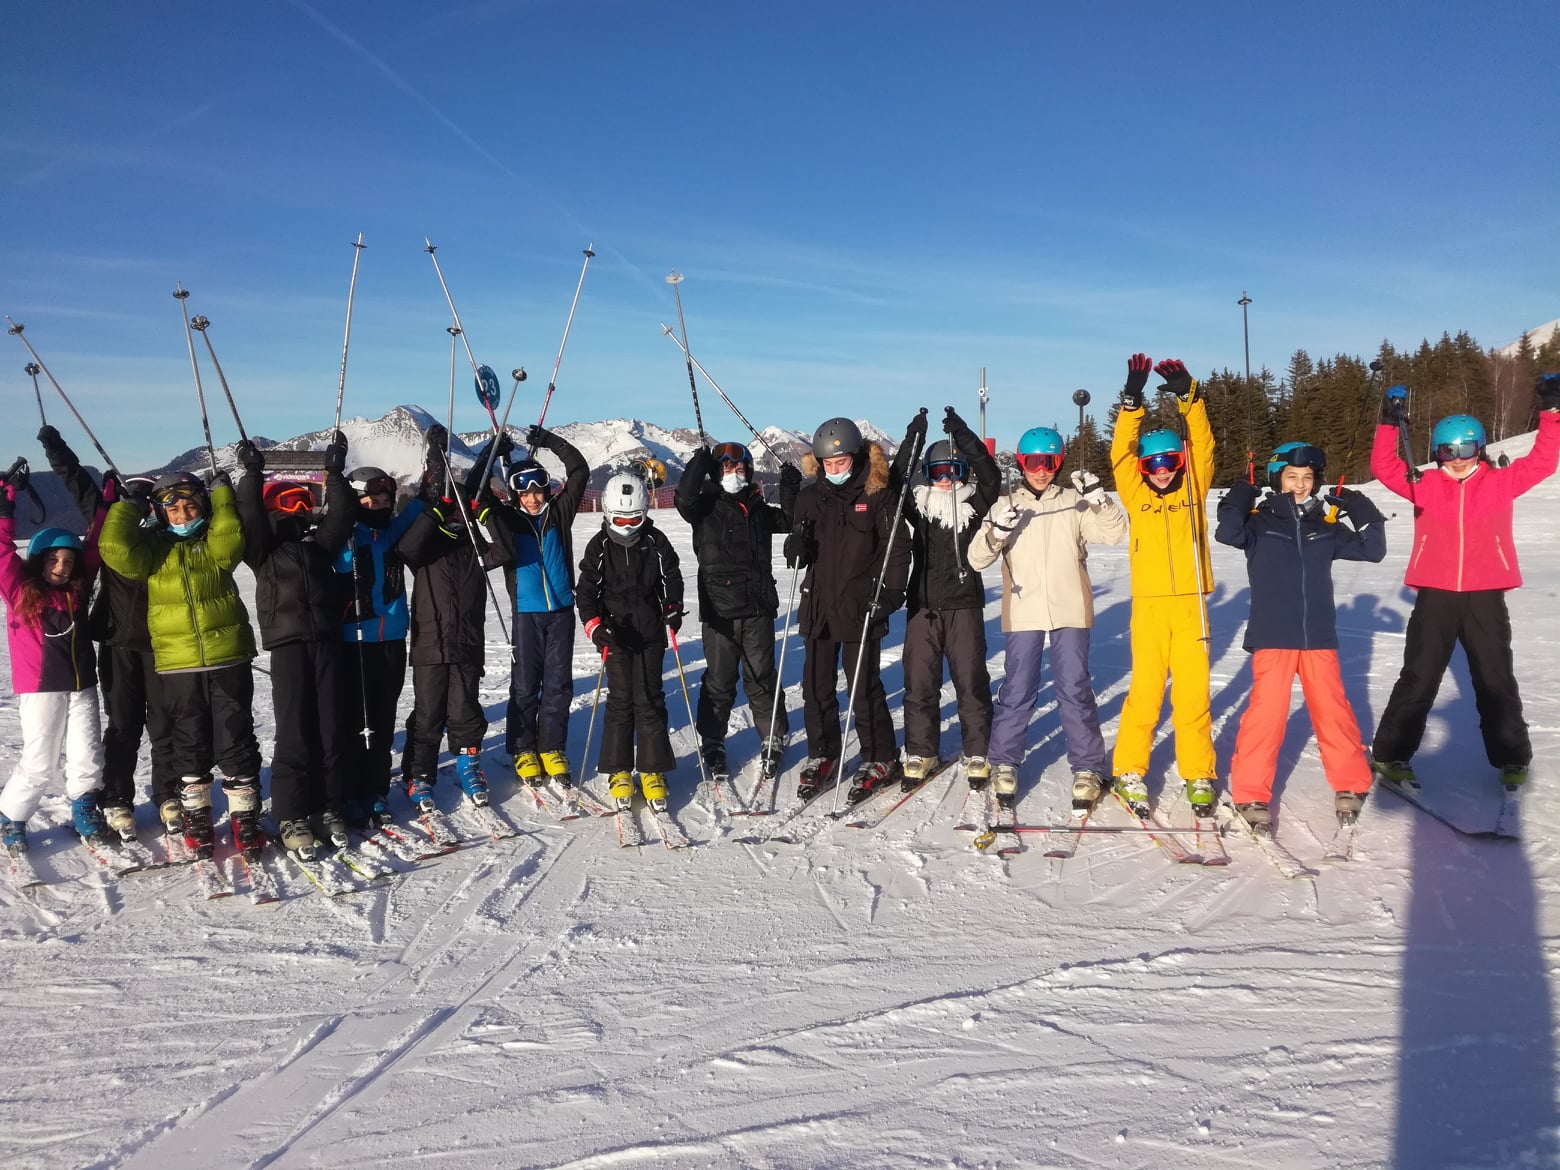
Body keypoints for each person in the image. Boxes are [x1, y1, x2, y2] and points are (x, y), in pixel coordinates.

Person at [1369, 374, 1560, 790]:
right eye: (1447, 450)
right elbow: (1384, 467)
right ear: (1437, 452)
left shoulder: (1500, 482)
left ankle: (1511, 759)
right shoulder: (1424, 485)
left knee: (1495, 677)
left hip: (1484, 594)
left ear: (1481, 449)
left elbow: (1544, 460)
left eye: (1466, 449)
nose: (1457, 458)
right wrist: (1388, 421)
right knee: (1419, 676)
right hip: (1436, 594)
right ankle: (1390, 754)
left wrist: (1551, 412)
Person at [1215, 442, 1387, 829]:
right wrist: (1244, 490)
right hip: (1274, 635)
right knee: (1267, 715)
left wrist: (1359, 508)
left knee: (1333, 711)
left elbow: (1372, 550)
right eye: (1292, 477)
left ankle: (1350, 783)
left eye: (1308, 478)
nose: (1300, 484)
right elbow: (1227, 531)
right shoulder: (1259, 523)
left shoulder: (1324, 527)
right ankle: (1251, 793)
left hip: (1318, 638)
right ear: (1278, 479)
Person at [98, 470, 263, 859]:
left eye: (190, 506)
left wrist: (223, 495)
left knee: (234, 733)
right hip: (178, 662)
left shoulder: (213, 542)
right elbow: (114, 548)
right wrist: (130, 505)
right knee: (188, 739)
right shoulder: (151, 549)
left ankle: (245, 816)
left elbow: (230, 544)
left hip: (227, 655)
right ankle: (197, 816)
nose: (183, 514)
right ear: (160, 512)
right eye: (173, 509)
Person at [969, 425, 1127, 810]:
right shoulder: (1006, 505)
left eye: (1050, 462)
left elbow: (1115, 533)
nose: (1042, 470)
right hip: (1024, 609)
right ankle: (1005, 760)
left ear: (1059, 463)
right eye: (1034, 462)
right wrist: (997, 533)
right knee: (1018, 688)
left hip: (1070, 606)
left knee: (1074, 687)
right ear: (1022, 463)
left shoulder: (1075, 502)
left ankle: (1088, 765)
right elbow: (976, 558)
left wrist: (1100, 501)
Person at [36, 425, 174, 840]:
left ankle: (168, 796)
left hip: (165, 645)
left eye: (149, 498)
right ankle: (117, 799)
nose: (143, 504)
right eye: (137, 496)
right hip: (118, 643)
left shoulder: (168, 531)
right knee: (123, 726)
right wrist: (55, 448)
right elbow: (78, 483)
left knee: (166, 725)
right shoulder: (113, 524)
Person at [236, 433, 357, 856]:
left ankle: (327, 806)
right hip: (287, 645)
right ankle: (291, 813)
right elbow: (247, 512)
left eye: (304, 503)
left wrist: (334, 473)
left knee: (330, 727)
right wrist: (251, 475)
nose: (299, 511)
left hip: (326, 640)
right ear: (272, 510)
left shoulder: (319, 547)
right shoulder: (263, 551)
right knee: (294, 731)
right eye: (288, 503)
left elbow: (343, 514)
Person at [1109, 354, 1218, 816]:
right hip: (1150, 606)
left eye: (1169, 460)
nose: (1160, 469)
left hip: (1191, 605)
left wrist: (1189, 396)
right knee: (1147, 690)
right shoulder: (1135, 495)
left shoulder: (1193, 486)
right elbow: (1120, 452)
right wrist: (1132, 401)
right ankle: (1129, 770)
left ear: (1181, 460)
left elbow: (1205, 444)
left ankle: (1198, 771)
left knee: (1193, 693)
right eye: (1152, 463)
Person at [784, 417, 911, 800]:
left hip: (862, 605)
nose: (835, 470)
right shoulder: (810, 496)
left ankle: (880, 756)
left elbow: (897, 549)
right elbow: (802, 535)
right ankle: (822, 752)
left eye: (842, 462)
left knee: (863, 687)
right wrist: (797, 545)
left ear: (856, 457)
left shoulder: (878, 494)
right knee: (816, 687)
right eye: (828, 464)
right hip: (819, 604)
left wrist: (892, 593)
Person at [397, 425, 515, 813]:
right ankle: (420, 774)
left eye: (459, 512)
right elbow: (407, 546)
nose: (455, 518)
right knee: (429, 713)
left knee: (465, 711)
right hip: (430, 646)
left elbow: (507, 550)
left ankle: (468, 763)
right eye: (452, 512)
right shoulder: (426, 549)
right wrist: (433, 510)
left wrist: (484, 513)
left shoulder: (475, 549)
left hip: (466, 643)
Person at [675, 439, 799, 785]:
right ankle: (713, 741)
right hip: (719, 612)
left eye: (741, 467)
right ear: (716, 472)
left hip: (758, 607)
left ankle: (772, 734)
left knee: (761, 676)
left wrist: (790, 487)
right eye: (727, 468)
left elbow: (790, 519)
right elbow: (683, 497)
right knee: (720, 681)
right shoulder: (704, 507)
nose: (735, 472)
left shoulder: (758, 508)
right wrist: (699, 461)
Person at [889, 406, 1000, 791]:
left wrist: (966, 437)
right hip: (922, 606)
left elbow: (991, 475)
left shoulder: (974, 506)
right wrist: (912, 440)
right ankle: (922, 750)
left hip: (964, 604)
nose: (945, 480)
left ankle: (978, 750)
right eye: (938, 472)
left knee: (970, 680)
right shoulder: (918, 507)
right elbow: (892, 483)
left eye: (953, 471)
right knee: (919, 682)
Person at [0, 473, 111, 854]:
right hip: (40, 685)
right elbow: (0, 551)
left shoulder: (77, 592)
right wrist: (5, 507)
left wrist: (107, 505)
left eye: (68, 560)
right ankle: (11, 816)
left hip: (82, 682)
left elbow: (95, 548)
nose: (62, 567)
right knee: (40, 758)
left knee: (87, 751)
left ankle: (84, 806)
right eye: (53, 559)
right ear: (38, 561)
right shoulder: (19, 591)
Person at [487, 423, 590, 787]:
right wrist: (493, 453)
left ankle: (551, 747)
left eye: (538, 488)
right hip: (526, 614)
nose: (532, 496)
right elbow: (478, 492)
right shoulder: (507, 520)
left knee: (559, 684)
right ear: (513, 495)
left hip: (561, 611)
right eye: (523, 490)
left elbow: (580, 472)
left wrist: (550, 442)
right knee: (526, 684)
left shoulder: (558, 514)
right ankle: (523, 748)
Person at [576, 471, 684, 811]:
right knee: (621, 699)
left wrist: (673, 607)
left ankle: (652, 770)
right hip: (615, 635)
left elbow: (672, 578)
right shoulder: (600, 545)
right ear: (608, 513)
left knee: (650, 698)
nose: (627, 525)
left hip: (650, 632)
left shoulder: (655, 540)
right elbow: (587, 591)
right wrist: (594, 625)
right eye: (620, 518)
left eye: (634, 518)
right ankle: (619, 769)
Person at [337, 465, 422, 828]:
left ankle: (375, 790)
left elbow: (417, 510)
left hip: (391, 638)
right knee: (356, 718)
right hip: (354, 640)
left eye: (385, 499)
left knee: (383, 717)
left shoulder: (390, 531)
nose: (379, 505)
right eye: (370, 499)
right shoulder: (344, 535)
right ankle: (349, 788)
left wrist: (434, 471)